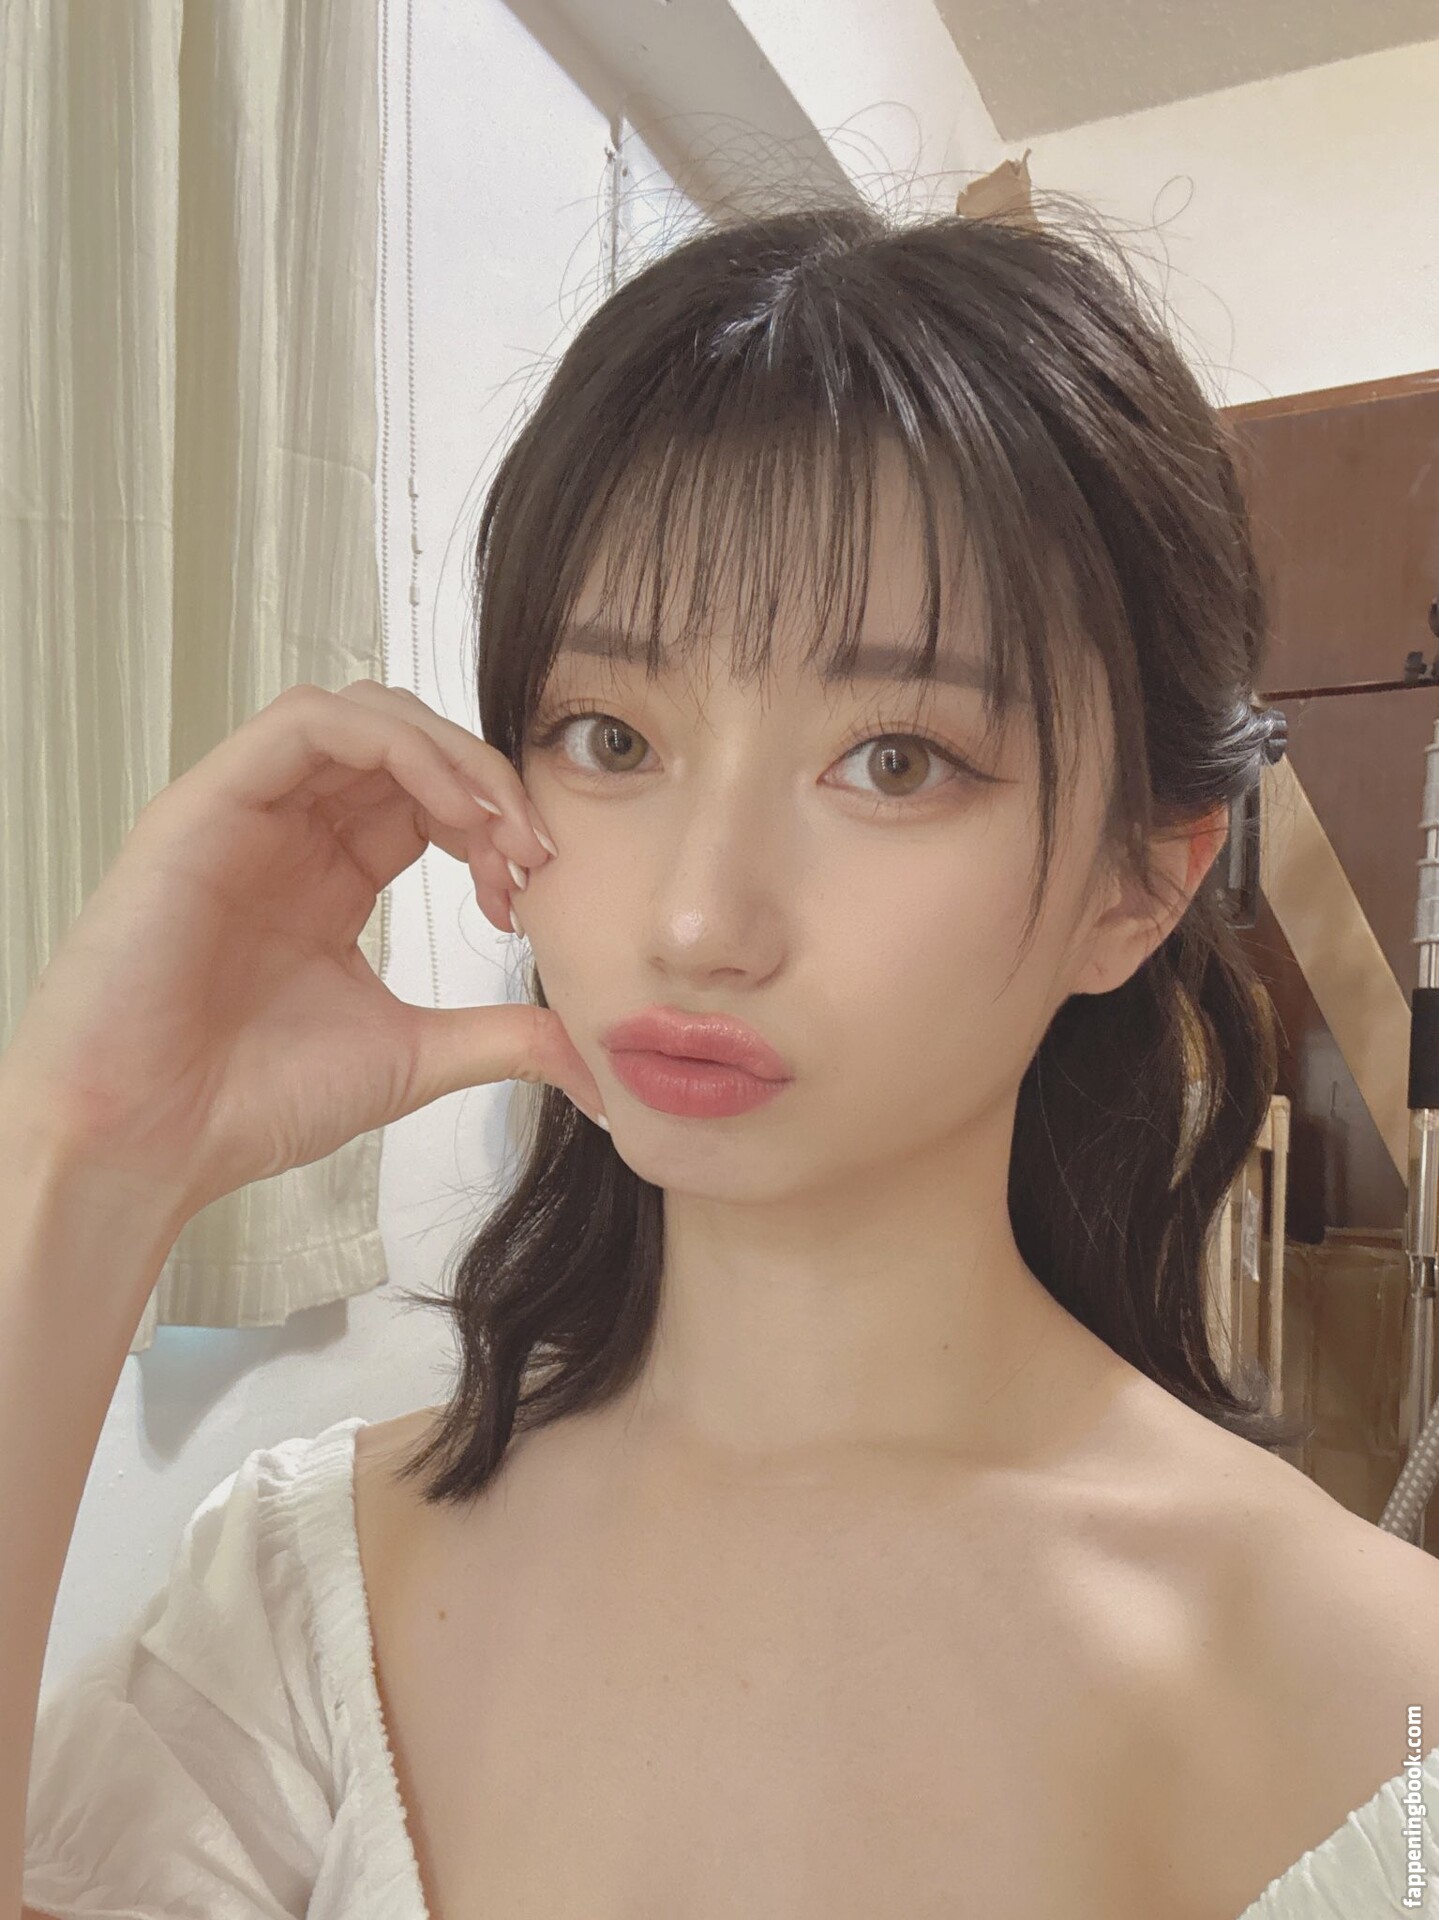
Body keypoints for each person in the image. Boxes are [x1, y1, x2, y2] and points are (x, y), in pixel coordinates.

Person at [6, 196, 1439, 1920]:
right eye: (612, 738)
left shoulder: (1389, 1715)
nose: (698, 919)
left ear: (1140, 885)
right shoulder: (310, 1604)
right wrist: (82, 1155)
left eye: (894, 761)